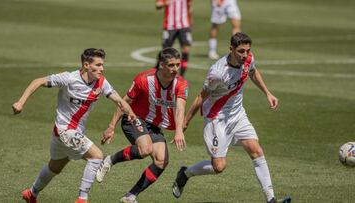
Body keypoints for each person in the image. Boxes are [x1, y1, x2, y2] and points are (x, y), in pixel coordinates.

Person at [172, 33, 292, 203]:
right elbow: (201, 96)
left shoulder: (248, 60)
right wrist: (185, 122)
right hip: (216, 118)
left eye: (247, 51)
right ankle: (185, 173)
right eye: (241, 51)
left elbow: (253, 72)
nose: (245, 55)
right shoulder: (217, 73)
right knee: (219, 167)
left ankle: (271, 199)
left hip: (237, 115)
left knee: (256, 150)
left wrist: (268, 93)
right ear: (231, 49)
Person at [13, 48, 136, 203]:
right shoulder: (69, 78)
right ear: (86, 65)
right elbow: (38, 81)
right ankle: (82, 199)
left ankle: (31, 193)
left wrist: (130, 113)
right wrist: (20, 102)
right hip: (65, 130)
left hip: (65, 133)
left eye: (102, 65)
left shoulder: (102, 82)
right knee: (97, 157)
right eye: (97, 65)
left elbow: (119, 101)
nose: (102, 69)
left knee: (55, 167)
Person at [96, 47, 188, 203]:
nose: (175, 69)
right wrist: (111, 126)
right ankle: (109, 160)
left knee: (161, 161)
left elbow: (180, 108)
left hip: (154, 124)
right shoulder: (144, 79)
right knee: (145, 149)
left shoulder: (181, 84)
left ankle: (130, 196)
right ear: (161, 64)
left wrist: (179, 130)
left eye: (177, 65)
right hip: (134, 117)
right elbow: (124, 102)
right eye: (171, 65)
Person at [155, 0, 192, 76]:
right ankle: (156, 70)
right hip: (170, 26)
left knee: (186, 50)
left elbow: (190, 6)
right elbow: (157, 5)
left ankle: (181, 76)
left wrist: (191, 21)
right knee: (165, 51)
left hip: (184, 25)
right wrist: (165, 3)